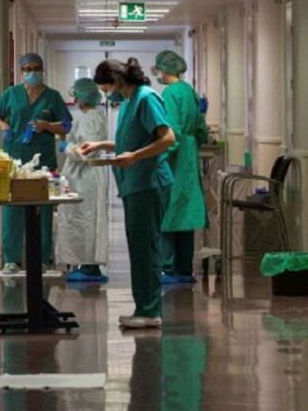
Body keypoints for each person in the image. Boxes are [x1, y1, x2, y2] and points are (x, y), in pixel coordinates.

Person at [79, 58, 175, 329]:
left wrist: (135, 157)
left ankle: (150, 311)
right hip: (136, 184)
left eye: (107, 88)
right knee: (139, 248)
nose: (108, 94)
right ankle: (143, 308)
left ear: (118, 81)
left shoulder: (145, 98)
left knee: (147, 249)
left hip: (149, 183)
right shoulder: (130, 102)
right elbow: (131, 141)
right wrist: (102, 144)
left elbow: (167, 138)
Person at [0, 53, 72, 274]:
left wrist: (48, 126)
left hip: (43, 160)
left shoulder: (52, 96)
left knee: (42, 210)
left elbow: (66, 126)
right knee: (12, 210)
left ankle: (42, 258)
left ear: (43, 70)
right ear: (21, 71)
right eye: (28, 69)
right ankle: (11, 259)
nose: (32, 73)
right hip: (15, 157)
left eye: (36, 68)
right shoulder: (11, 94)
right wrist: (4, 128)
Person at [151, 50, 210, 284]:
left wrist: (159, 157)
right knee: (185, 213)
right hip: (189, 156)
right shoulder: (189, 91)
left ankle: (167, 267)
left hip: (175, 160)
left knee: (169, 212)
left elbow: (171, 131)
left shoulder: (170, 93)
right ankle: (184, 268)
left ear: (164, 70)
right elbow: (201, 129)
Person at [56, 78, 110, 282]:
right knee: (80, 219)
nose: (75, 99)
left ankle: (89, 266)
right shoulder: (88, 116)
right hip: (81, 175)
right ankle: (85, 264)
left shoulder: (91, 118)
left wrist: (66, 147)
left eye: (77, 95)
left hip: (86, 177)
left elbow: (86, 152)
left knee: (86, 220)